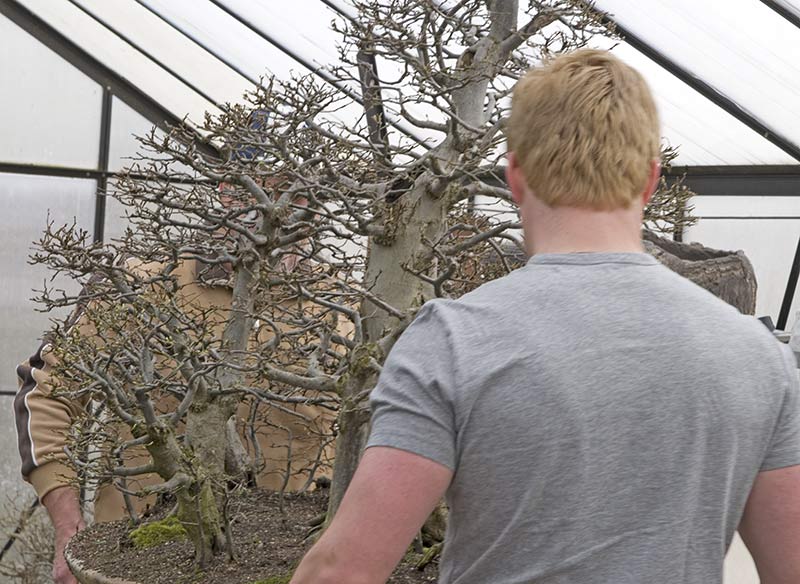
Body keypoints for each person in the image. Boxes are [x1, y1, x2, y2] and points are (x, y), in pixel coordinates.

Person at [290, 49, 800, 583]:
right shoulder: (757, 355)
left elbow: (341, 571)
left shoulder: (455, 341)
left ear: (515, 177)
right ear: (650, 181)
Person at [15, 257, 334, 584]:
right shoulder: (139, 282)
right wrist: (69, 528)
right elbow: (45, 391)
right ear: (222, 200)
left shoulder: (348, 302)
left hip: (293, 566)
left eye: (299, 201)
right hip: (135, 562)